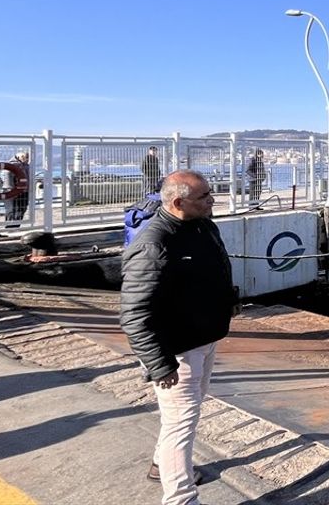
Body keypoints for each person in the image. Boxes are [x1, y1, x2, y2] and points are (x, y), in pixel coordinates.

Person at [120, 170, 237, 505]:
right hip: (178, 350)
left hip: (205, 337)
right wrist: (159, 364)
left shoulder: (203, 225)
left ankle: (161, 464)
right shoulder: (154, 244)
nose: (212, 200)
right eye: (204, 197)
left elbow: (212, 271)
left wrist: (227, 302)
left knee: (188, 413)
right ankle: (180, 498)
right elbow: (134, 314)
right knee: (181, 425)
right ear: (178, 202)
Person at [6, 151, 30, 227]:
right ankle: (10, 225)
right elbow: (9, 179)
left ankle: (16, 224)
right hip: (14, 190)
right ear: (20, 157)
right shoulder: (12, 165)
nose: (27, 159)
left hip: (24, 190)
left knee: (22, 208)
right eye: (25, 158)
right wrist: (12, 190)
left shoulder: (25, 165)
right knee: (12, 209)